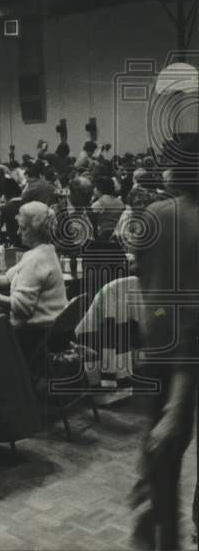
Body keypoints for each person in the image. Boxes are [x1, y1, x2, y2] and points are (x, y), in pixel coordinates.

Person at [128, 136, 198, 550]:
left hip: (164, 353)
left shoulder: (156, 217)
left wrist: (174, 404)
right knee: (167, 452)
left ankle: (159, 520)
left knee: (163, 458)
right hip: (179, 354)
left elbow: (157, 297)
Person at [0, 201, 68, 356]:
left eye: (23, 228)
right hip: (51, 332)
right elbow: (8, 278)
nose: (18, 233)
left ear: (37, 231)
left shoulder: (36, 259)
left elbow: (21, 308)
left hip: (35, 337)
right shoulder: (45, 251)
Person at [90, 175, 125, 242]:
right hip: (118, 233)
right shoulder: (120, 201)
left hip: (104, 235)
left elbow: (90, 213)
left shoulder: (100, 202)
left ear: (99, 189)